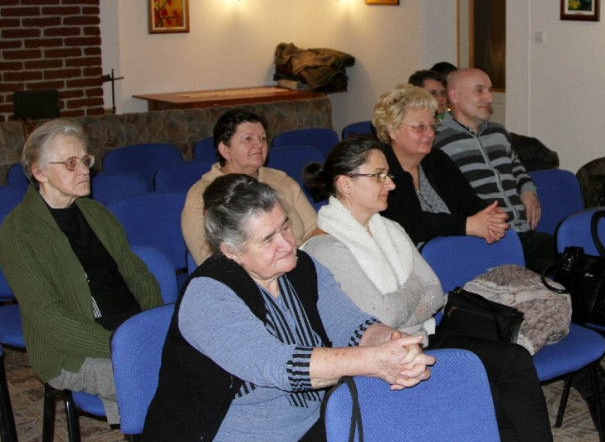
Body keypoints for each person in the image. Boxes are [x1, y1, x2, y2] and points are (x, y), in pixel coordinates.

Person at [301, 138, 559, 441]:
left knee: (514, 360)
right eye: (379, 175)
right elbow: (383, 315)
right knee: (490, 394)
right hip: (380, 361)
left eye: (388, 174)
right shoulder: (327, 246)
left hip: (421, 337)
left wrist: (404, 302)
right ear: (345, 184)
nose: (391, 184)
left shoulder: (390, 228)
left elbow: (435, 290)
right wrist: (414, 286)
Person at [144, 174, 434, 441]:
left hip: (315, 422)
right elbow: (278, 364)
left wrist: (392, 342)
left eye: (284, 226)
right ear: (230, 250)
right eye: (268, 239)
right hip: (231, 433)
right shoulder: (208, 294)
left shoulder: (302, 267)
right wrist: (374, 362)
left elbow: (351, 325)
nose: (287, 243)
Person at [0, 119, 163, 424]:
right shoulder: (18, 231)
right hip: (72, 351)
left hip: (129, 331)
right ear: (39, 172)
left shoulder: (96, 213)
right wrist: (123, 344)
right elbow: (50, 319)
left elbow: (140, 276)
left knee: (202, 361)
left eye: (85, 160)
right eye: (70, 163)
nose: (84, 170)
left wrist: (151, 327)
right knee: (161, 380)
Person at [433, 68, 554, 273]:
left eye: (489, 90)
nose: (489, 97)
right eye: (480, 90)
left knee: (573, 260)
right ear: (454, 96)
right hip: (486, 240)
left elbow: (517, 167)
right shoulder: (438, 140)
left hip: (522, 232)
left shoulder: (498, 132)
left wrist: (528, 190)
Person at [373, 83, 508, 246]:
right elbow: (407, 223)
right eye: (420, 128)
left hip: (458, 248)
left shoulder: (437, 160)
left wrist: (492, 217)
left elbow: (469, 202)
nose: (430, 134)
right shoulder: (377, 169)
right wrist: (468, 225)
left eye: (432, 126)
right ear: (392, 130)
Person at [182, 108, 317, 266]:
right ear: (225, 150)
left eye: (263, 138)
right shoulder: (201, 195)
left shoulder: (281, 180)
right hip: (243, 275)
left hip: (298, 265)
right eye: (248, 139)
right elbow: (208, 257)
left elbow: (315, 230)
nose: (259, 144)